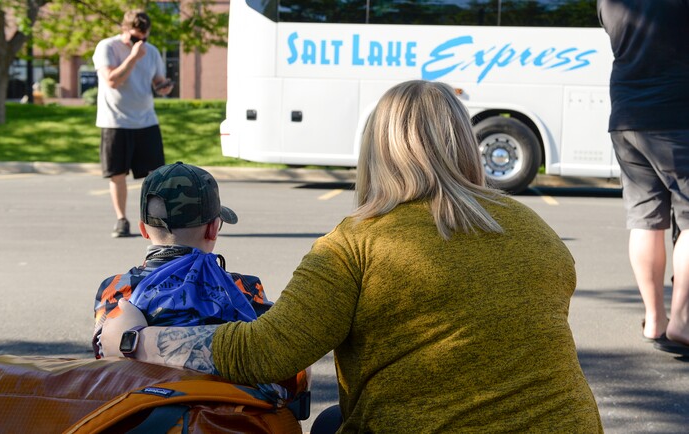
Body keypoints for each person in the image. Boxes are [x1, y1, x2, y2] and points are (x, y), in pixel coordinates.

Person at [101, 80, 603, 432]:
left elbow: (266, 352)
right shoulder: (533, 227)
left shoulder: (355, 244)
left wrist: (135, 340)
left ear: (375, 153)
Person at [93, 162, 273, 360]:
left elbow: (104, 360)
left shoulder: (117, 290)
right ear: (213, 229)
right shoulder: (244, 288)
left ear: (143, 230)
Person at [598, 0, 689, 355]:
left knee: (645, 219)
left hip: (626, 116)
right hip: (677, 114)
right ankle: (683, 321)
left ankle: (655, 319)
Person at [93, 10, 174, 238]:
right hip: (115, 121)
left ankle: (154, 220)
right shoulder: (107, 47)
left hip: (146, 120)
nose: (140, 43)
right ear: (124, 30)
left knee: (156, 175)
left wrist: (164, 87)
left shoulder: (153, 52)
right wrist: (133, 57)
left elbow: (157, 81)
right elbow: (112, 81)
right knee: (117, 174)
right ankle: (121, 220)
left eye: (144, 38)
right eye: (135, 38)